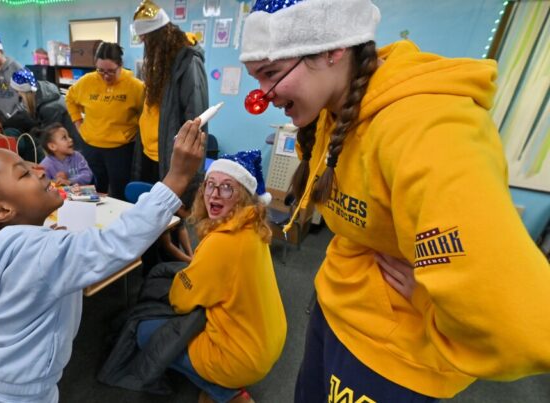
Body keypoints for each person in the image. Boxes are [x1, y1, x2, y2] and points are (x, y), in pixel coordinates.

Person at [238, 0, 550, 401]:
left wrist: (426, 297)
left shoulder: (428, 130)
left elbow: (519, 322)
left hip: (393, 353)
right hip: (337, 310)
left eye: (270, 75)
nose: (263, 96)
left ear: (333, 51)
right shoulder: (331, 111)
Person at [0, 118, 206, 403]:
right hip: (24, 392)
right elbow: (116, 242)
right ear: (1, 211)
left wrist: (43, 241)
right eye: (24, 173)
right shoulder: (37, 252)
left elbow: (24, 262)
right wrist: (176, 179)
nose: (39, 170)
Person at [100, 151, 285, 403]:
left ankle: (227, 393)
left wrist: (173, 287)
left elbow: (181, 300)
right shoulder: (252, 228)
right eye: (210, 185)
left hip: (241, 356)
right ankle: (221, 382)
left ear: (243, 196)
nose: (214, 194)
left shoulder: (222, 242)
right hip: (267, 341)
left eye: (227, 188)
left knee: (144, 332)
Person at [131, 0, 208, 205]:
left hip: (167, 156)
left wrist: (189, 168)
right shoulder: (160, 59)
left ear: (159, 35)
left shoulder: (188, 61)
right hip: (149, 152)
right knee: (149, 209)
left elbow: (196, 115)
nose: (144, 43)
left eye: (146, 38)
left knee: (168, 213)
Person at [64, 42, 145, 199]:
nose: (106, 76)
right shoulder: (86, 81)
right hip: (90, 147)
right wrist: (77, 122)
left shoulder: (136, 87)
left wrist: (138, 133)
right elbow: (70, 98)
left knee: (119, 191)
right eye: (100, 70)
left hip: (120, 149)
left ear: (120, 66)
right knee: (92, 190)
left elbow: (146, 113)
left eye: (111, 71)